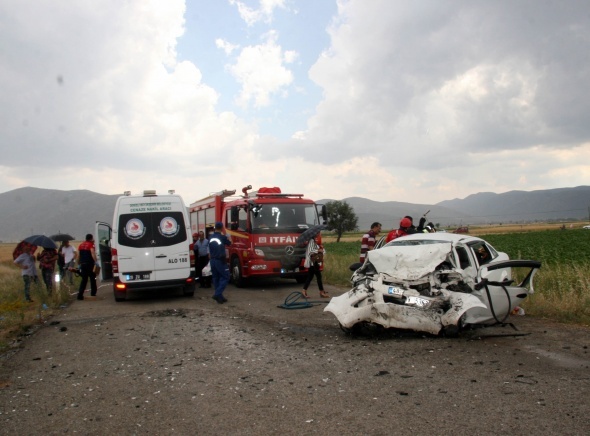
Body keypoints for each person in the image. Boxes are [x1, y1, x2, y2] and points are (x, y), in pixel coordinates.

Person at [208, 222, 231, 304]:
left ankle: (220, 297)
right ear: (222, 228)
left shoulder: (210, 237)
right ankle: (217, 294)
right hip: (220, 260)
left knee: (216, 278)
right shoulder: (222, 237)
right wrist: (228, 236)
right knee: (226, 276)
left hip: (212, 260)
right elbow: (230, 243)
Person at [76, 234, 98, 300]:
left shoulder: (81, 245)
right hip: (89, 264)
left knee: (84, 280)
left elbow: (78, 256)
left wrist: (78, 263)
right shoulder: (90, 245)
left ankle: (80, 295)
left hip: (83, 264)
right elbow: (92, 253)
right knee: (92, 278)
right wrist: (96, 261)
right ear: (91, 238)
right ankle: (93, 293)